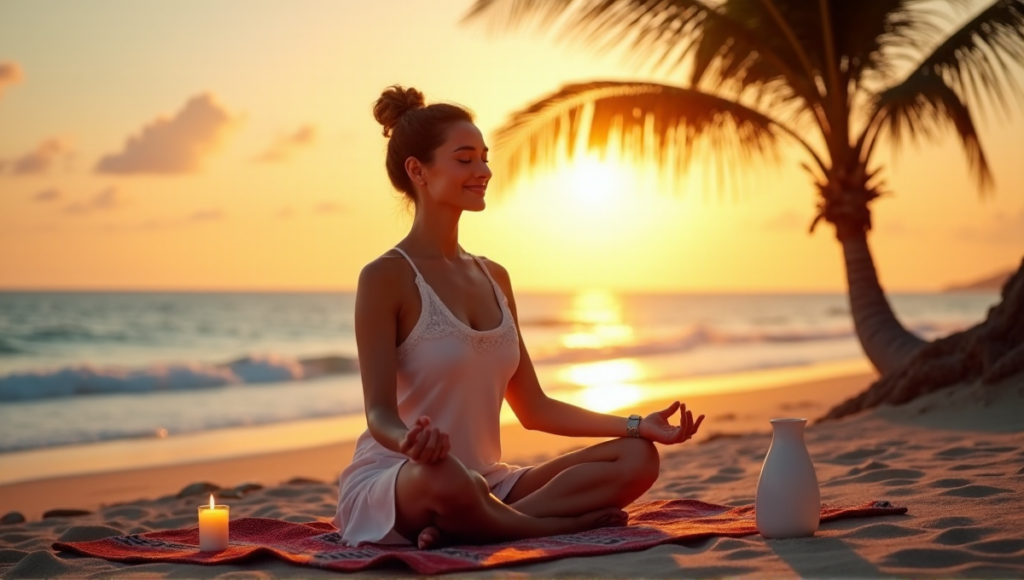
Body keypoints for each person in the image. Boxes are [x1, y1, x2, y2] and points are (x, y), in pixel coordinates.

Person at [332, 85, 705, 549]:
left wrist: (635, 424)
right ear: (417, 170)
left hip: (488, 482)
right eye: (465, 159)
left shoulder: (494, 276)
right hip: (403, 479)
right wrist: (411, 443)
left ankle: (474, 527)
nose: (484, 171)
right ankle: (552, 527)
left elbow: (534, 408)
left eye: (484, 158)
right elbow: (379, 414)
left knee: (638, 459)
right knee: (449, 476)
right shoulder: (385, 277)